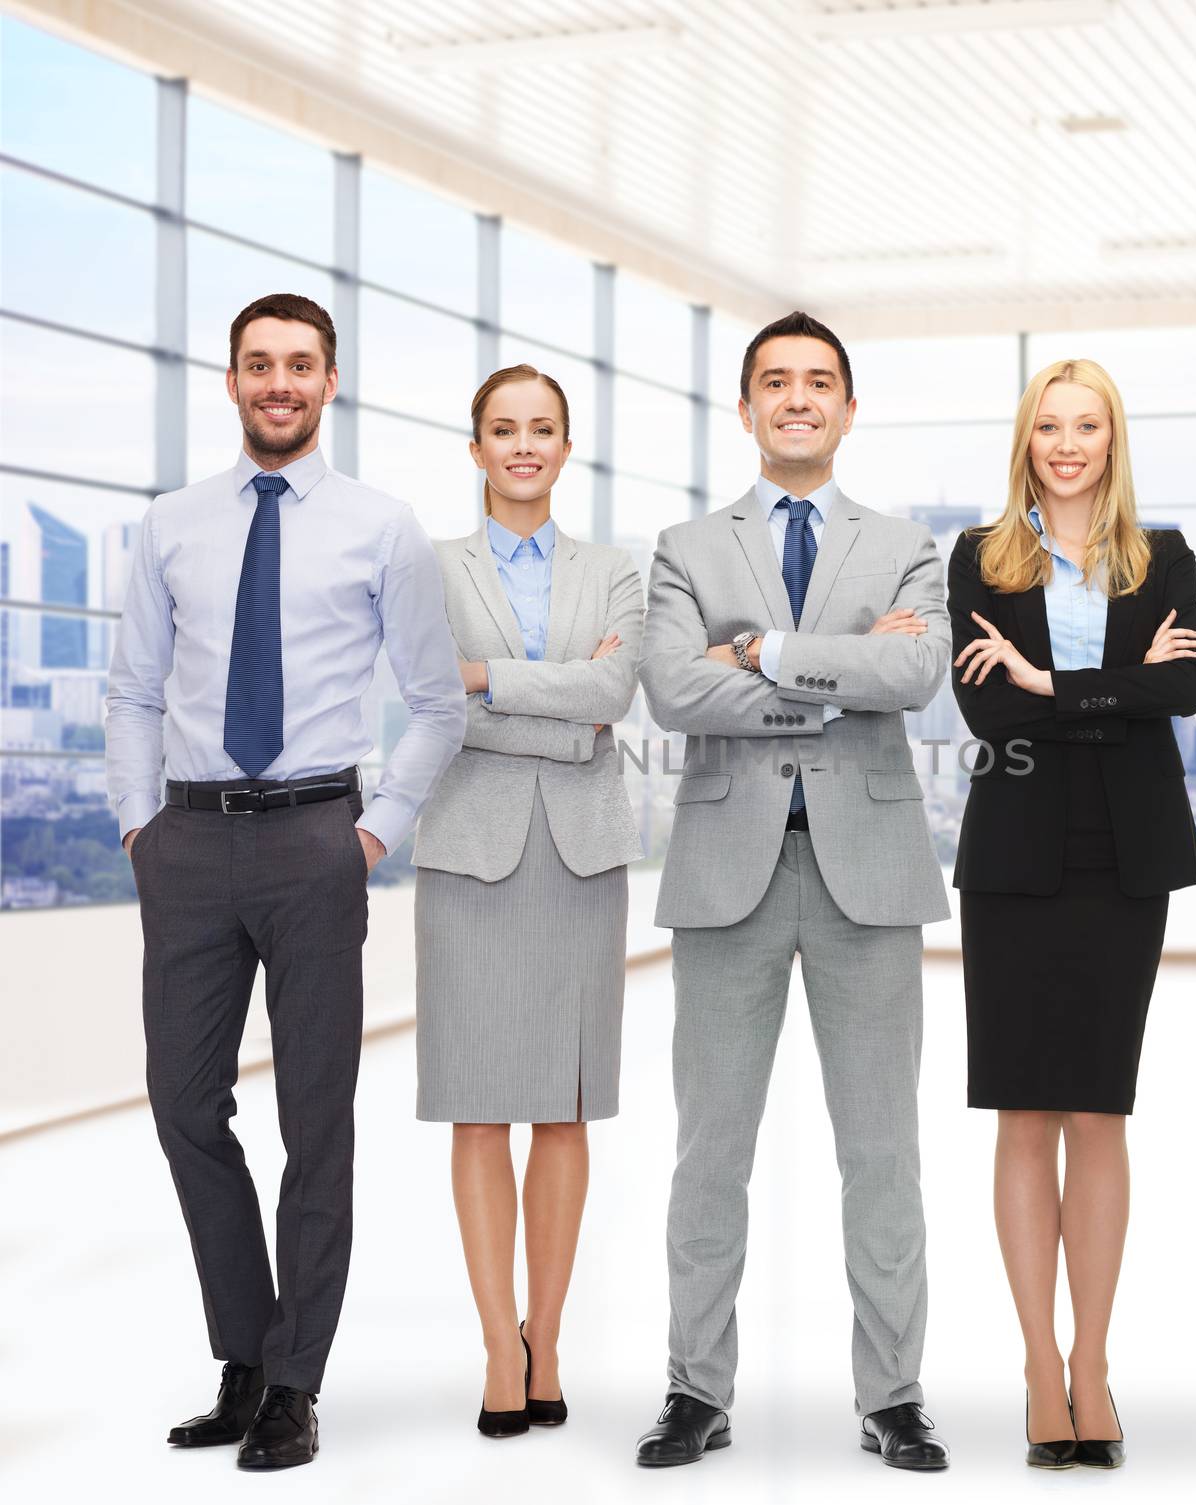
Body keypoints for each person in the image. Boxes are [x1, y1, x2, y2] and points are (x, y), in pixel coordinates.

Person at [103, 293, 465, 1470]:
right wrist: (137, 829)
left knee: (317, 1120)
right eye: (259, 363)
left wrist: (373, 834)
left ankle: (295, 1379)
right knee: (183, 1104)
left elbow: (435, 700)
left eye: (299, 364)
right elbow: (133, 694)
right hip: (191, 844)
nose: (279, 382)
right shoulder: (170, 524)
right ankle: (243, 1352)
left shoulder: (383, 527)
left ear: (330, 380)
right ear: (231, 379)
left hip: (317, 837)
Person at [633, 311, 952, 1471]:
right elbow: (671, 690)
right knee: (710, 1152)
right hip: (730, 877)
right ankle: (693, 1390)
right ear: (748, 405)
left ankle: (896, 1393)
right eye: (777, 382)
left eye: (819, 382)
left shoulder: (908, 542)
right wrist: (835, 670)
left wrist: (759, 652)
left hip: (867, 875)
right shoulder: (684, 542)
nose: (799, 398)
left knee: (882, 1153)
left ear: (847, 407)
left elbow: (915, 672)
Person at [948, 359, 1196, 1471]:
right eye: (1048, 425)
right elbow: (977, 699)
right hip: (1012, 855)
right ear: (1026, 440)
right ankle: (1035, 1365)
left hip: (1124, 858)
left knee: (1098, 1111)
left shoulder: (1165, 557)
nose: (1067, 443)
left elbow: (1186, 691)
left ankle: (1092, 1365)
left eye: (1086, 424)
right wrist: (1111, 683)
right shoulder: (978, 557)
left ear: (1113, 439)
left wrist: (1051, 682)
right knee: (1021, 1112)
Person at [411, 363, 643, 1438]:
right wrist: (560, 703)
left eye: (541, 429)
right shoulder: (429, 569)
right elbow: (429, 700)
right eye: (502, 429)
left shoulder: (616, 573)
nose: (522, 446)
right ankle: (494, 1342)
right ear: (475, 448)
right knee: (476, 1102)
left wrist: (487, 676)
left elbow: (614, 695)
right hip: (468, 855)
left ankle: (545, 1339)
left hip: (580, 856)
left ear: (564, 446)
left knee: (563, 1101)